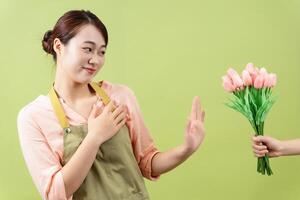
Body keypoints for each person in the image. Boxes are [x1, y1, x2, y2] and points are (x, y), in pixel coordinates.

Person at [17, 9, 206, 200]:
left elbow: (147, 162)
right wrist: (94, 137)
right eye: (88, 49)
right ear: (59, 46)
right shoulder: (33, 117)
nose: (95, 60)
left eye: (102, 52)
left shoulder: (120, 97)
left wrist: (186, 149)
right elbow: (55, 194)